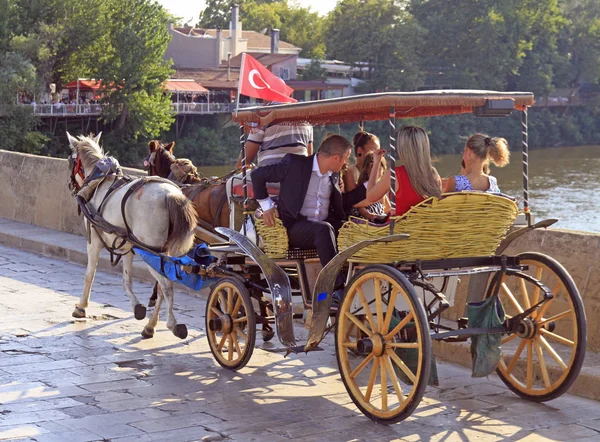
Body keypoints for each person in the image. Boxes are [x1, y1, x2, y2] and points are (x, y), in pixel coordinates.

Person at [252, 134, 390, 283]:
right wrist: (267, 206)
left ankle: (365, 274)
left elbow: (346, 201)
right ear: (336, 158)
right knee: (323, 230)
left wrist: (376, 164)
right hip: (294, 227)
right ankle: (336, 285)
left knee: (351, 227)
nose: (346, 163)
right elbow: (257, 175)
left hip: (325, 226)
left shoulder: (334, 174)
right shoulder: (294, 164)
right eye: (346, 158)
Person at [369, 126, 442, 216]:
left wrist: (376, 163)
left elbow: (370, 197)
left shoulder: (394, 175)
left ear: (403, 148)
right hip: (424, 228)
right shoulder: (433, 174)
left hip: (398, 228)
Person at [443, 133, 509, 193]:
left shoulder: (455, 182)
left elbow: (442, 203)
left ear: (468, 152)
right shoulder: (492, 182)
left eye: (464, 151)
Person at [235, 121, 313, 169]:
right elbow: (309, 156)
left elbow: (244, 162)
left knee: (230, 184)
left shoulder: (262, 117)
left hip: (269, 177)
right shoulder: (306, 121)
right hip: (300, 177)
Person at [351, 152, 391, 222]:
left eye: (378, 167)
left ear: (383, 170)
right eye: (372, 166)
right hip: (368, 222)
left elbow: (388, 208)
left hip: (380, 219)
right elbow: (359, 207)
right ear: (366, 169)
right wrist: (370, 215)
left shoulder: (381, 190)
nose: (375, 170)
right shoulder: (361, 188)